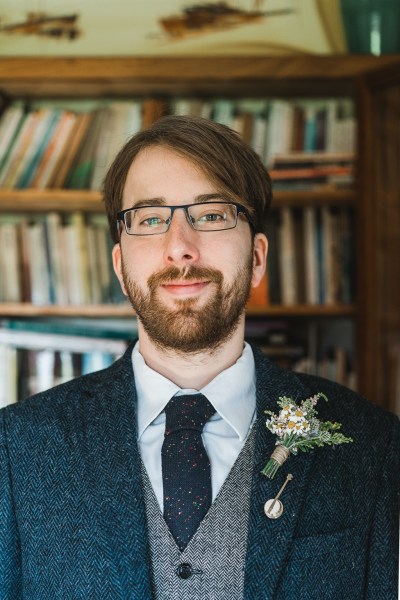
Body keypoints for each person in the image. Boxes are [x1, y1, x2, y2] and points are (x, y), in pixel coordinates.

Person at [0, 115, 399, 600]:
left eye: (210, 215)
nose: (180, 249)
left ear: (256, 258)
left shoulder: (373, 445)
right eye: (150, 219)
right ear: (121, 268)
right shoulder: (15, 449)